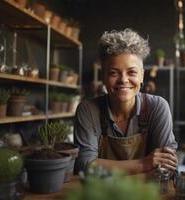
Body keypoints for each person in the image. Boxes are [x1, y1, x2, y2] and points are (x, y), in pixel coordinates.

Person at [74, 28, 178, 176]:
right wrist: (144, 163)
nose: (123, 79)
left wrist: (101, 166)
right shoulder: (88, 110)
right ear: (103, 76)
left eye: (132, 72)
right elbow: (84, 164)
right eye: (113, 73)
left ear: (142, 76)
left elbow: (166, 164)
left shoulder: (158, 107)